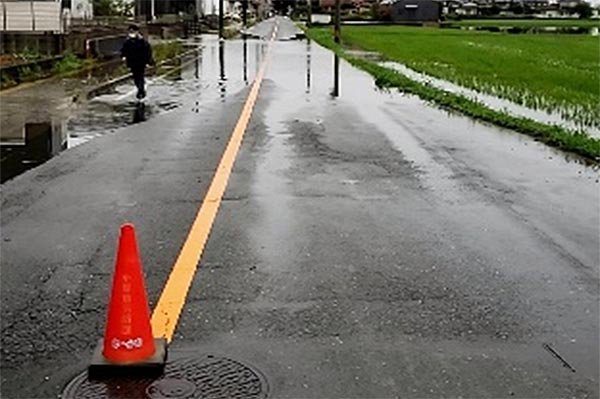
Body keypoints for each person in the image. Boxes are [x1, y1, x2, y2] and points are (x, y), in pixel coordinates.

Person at [121, 25, 153, 99]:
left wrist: (148, 61)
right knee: (135, 77)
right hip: (132, 62)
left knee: (140, 76)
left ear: (137, 31)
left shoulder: (142, 41)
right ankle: (140, 89)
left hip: (141, 62)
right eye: (130, 31)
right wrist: (123, 56)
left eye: (133, 31)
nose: (131, 33)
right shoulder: (128, 41)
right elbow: (124, 50)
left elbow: (148, 51)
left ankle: (141, 91)